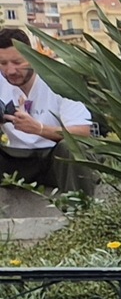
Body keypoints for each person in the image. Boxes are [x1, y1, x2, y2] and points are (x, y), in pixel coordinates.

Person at [0, 27, 94, 194]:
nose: (10, 71)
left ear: (31, 56)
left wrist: (39, 129)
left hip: (55, 157)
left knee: (71, 147)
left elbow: (82, 132)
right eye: (3, 63)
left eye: (17, 62)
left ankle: (83, 212)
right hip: (16, 159)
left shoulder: (59, 80)